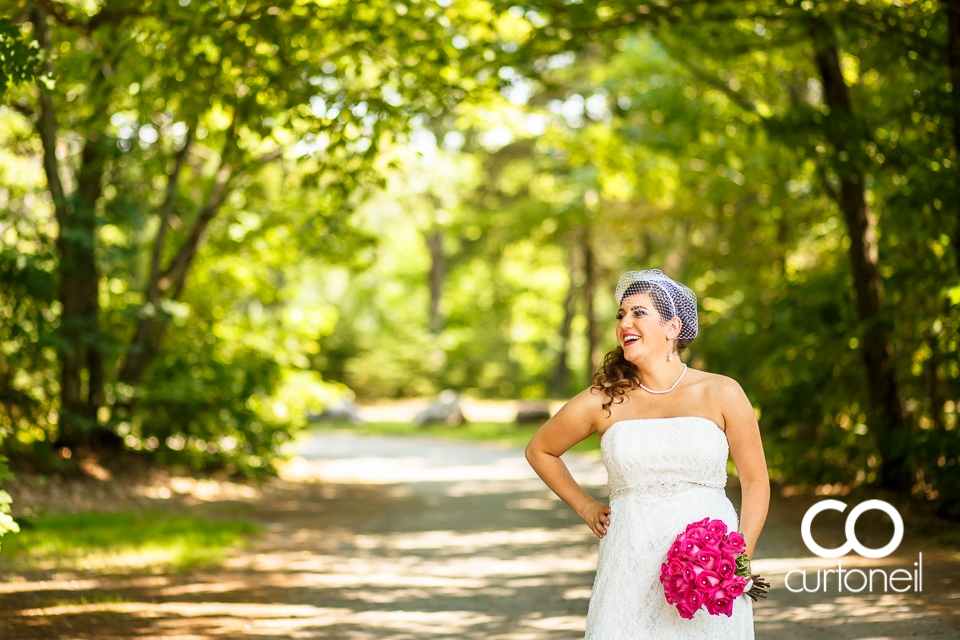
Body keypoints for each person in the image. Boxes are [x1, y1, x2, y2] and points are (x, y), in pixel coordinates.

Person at [525, 269, 769, 639]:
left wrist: (737, 559)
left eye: (638, 312)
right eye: (621, 314)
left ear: (672, 327)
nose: (625, 322)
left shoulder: (721, 392)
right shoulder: (604, 399)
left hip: (708, 566)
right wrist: (586, 507)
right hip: (630, 561)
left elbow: (755, 481)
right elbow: (540, 449)